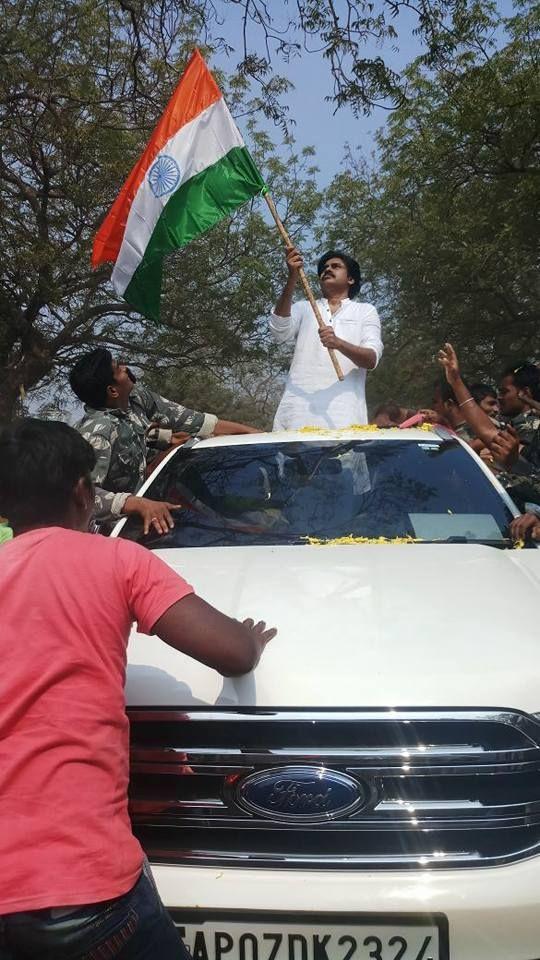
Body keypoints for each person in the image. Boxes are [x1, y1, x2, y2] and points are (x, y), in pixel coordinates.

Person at [0, 418, 276, 959]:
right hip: (81, 884)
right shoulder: (117, 560)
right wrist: (249, 637)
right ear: (84, 493)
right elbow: (232, 653)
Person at [70, 348, 258, 534]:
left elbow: (196, 421)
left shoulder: (137, 399)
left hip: (154, 510)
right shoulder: (96, 433)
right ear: (112, 390)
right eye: (119, 369)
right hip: (114, 530)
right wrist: (134, 503)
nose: (126, 368)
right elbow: (80, 496)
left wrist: (259, 434)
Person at [269, 247, 383, 429]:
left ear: (351, 279)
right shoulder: (303, 307)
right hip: (296, 413)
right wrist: (292, 278)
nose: (327, 269)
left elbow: (371, 359)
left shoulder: (365, 311)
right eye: (324, 268)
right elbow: (279, 331)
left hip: (344, 417)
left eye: (336, 266)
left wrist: (339, 344)